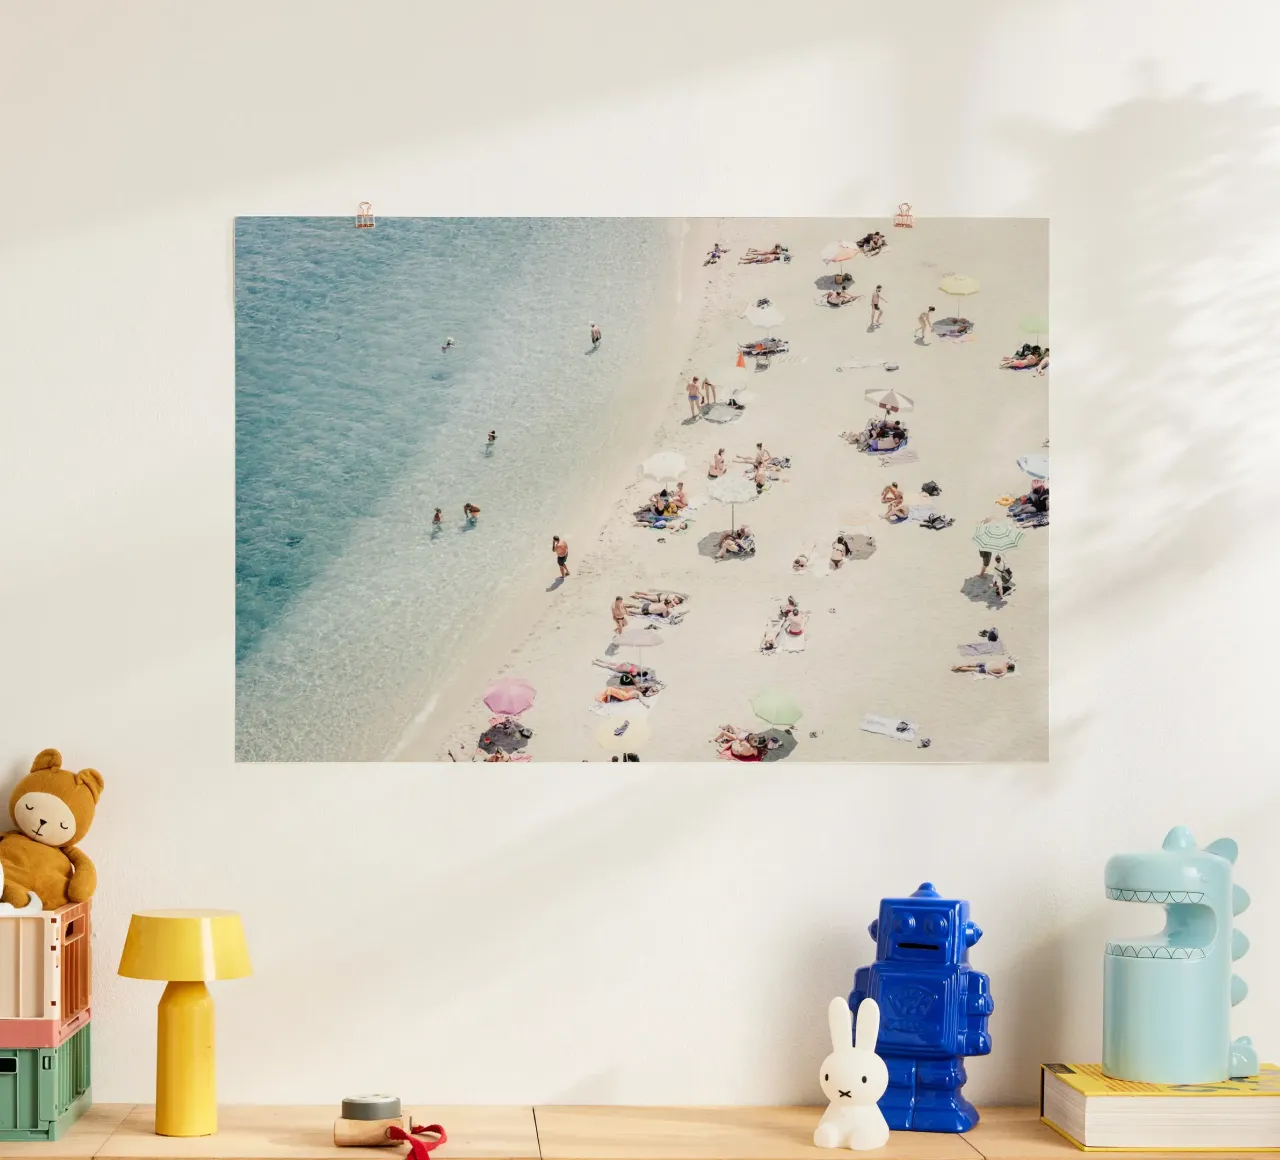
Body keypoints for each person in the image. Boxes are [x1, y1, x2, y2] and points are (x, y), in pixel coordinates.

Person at [952, 658, 1016, 677]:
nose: (1008, 662)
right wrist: (991, 673)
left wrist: (990, 673)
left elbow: (997, 676)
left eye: (1009, 663)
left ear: (1008, 665)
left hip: (986, 666)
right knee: (970, 668)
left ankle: (958, 667)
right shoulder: (1005, 669)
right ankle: (957, 668)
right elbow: (998, 675)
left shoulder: (1004, 664)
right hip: (986, 667)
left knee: (970, 666)